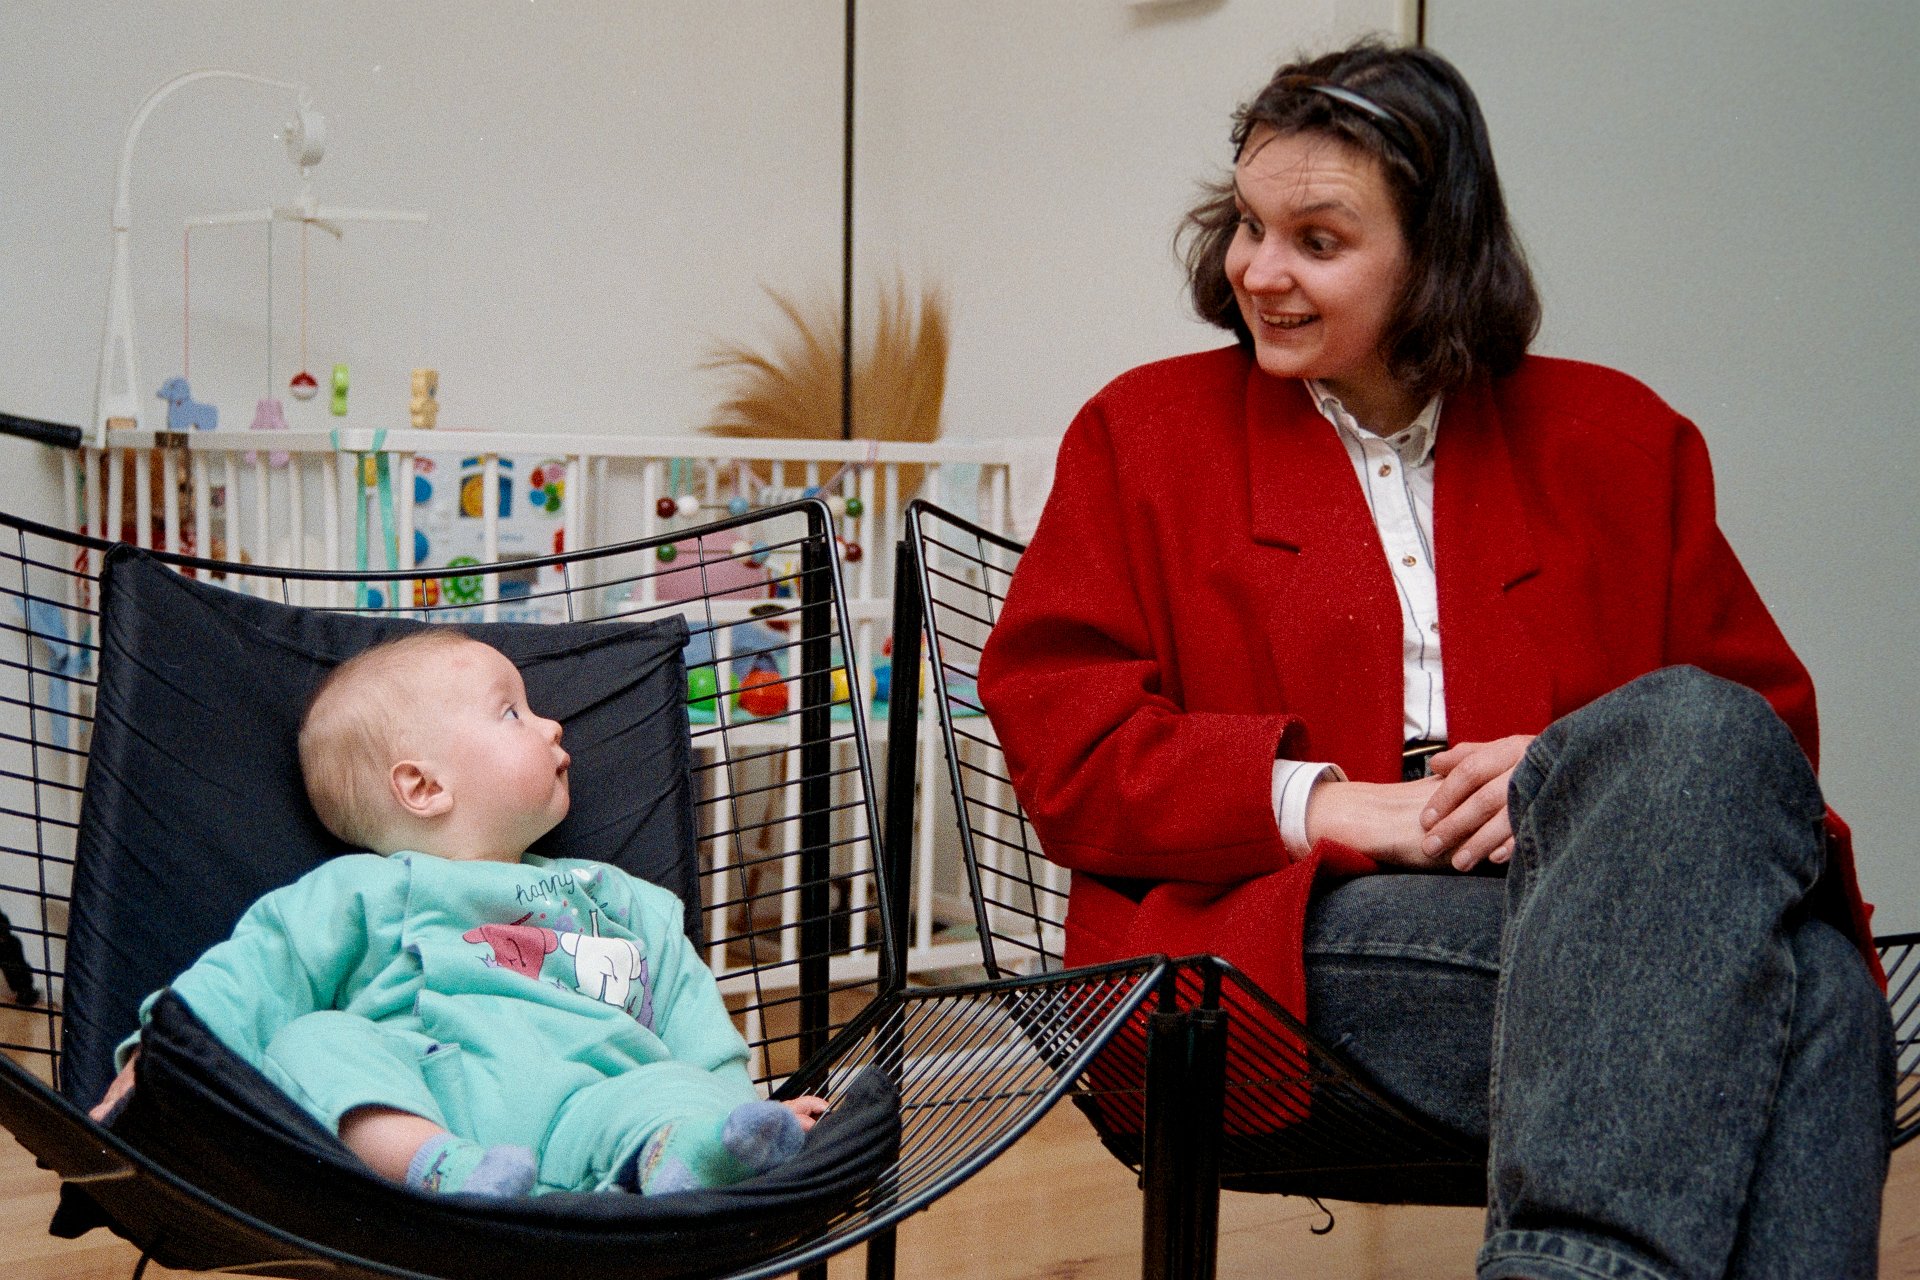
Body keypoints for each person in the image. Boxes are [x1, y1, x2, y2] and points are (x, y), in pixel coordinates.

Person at [976, 38, 1893, 1280]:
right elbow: (1068, 747)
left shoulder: (1626, 440)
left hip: (1569, 906)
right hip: (1269, 950)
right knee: (1815, 998)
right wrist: (1329, 802)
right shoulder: (1142, 434)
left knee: (1701, 739)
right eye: (1249, 225)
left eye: (1317, 239)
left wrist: (1577, 776)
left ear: (1439, 253)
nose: (1259, 270)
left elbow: (1758, 758)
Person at [90, 628, 827, 1198]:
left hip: (597, 1103)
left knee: (667, 1087)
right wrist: (155, 1065)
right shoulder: (362, 890)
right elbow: (250, 978)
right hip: (427, 1103)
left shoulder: (616, 896)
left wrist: (733, 1107)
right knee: (311, 1043)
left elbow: (696, 1023)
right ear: (423, 787)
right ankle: (444, 1172)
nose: (552, 726)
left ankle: (690, 1154)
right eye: (513, 712)